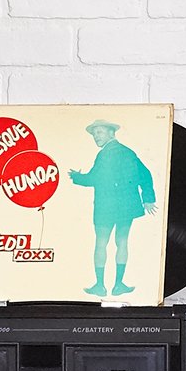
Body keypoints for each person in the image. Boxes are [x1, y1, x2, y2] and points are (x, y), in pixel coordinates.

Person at [72, 116, 156, 299]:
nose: (96, 136)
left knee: (101, 243)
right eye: (94, 134)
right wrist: (148, 199)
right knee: (122, 242)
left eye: (99, 132)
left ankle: (100, 286)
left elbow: (93, 179)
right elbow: (145, 174)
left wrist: (76, 177)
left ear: (111, 133)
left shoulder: (105, 154)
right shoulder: (128, 152)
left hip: (106, 207)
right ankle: (118, 285)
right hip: (126, 207)